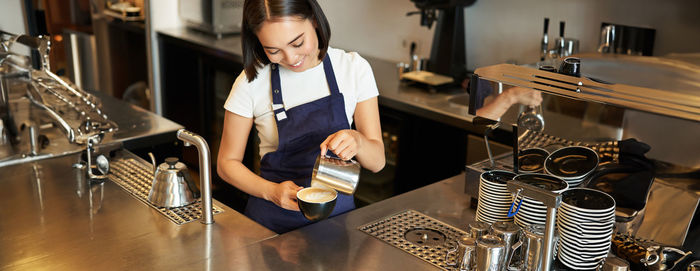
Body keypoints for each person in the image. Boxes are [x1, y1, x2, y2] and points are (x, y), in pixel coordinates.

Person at [217, 0, 385, 234]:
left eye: (297, 43)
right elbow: (226, 164)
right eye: (273, 50)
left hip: (338, 223)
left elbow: (377, 162)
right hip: (271, 226)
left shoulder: (353, 68)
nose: (291, 58)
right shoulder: (250, 83)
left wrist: (358, 141)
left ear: (314, 20)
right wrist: (271, 192)